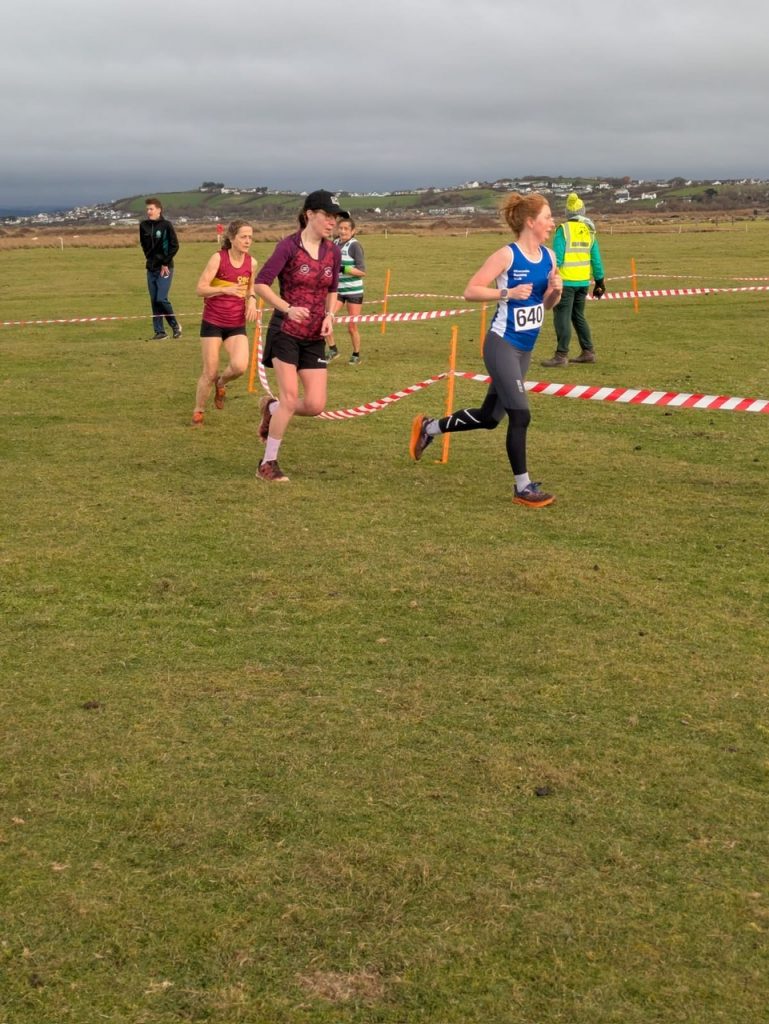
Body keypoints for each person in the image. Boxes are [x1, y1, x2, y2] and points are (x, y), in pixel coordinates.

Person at [409, 192, 563, 508]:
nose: (552, 222)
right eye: (547, 217)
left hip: (525, 350)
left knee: (490, 417)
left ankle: (429, 427)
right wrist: (507, 293)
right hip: (501, 345)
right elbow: (470, 290)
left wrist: (554, 292)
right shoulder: (507, 255)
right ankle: (523, 488)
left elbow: (546, 306)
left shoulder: (549, 257)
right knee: (520, 415)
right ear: (530, 222)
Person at [253, 190, 343, 483]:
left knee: (316, 405)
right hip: (286, 332)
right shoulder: (288, 247)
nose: (332, 222)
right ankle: (267, 463)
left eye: (335, 217)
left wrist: (330, 316)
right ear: (309, 214)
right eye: (327, 216)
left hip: (314, 335)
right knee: (290, 398)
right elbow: (260, 284)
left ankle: (271, 408)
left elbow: (333, 288)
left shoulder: (333, 251)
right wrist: (287, 308)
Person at [190, 220, 257, 426]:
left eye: (250, 237)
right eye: (243, 237)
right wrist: (223, 289)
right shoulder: (218, 258)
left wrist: (252, 301)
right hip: (213, 322)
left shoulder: (251, 263)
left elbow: (250, 289)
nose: (248, 241)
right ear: (232, 238)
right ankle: (199, 412)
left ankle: (221, 383)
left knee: (239, 367)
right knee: (209, 372)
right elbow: (200, 289)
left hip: (236, 324)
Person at [540, 192, 605, 367]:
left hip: (566, 282)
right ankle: (588, 351)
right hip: (583, 282)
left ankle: (561, 355)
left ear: (567, 212)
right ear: (582, 211)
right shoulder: (589, 230)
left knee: (562, 317)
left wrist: (548, 278)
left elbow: (557, 259)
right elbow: (596, 259)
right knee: (578, 316)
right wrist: (600, 281)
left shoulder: (563, 230)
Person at [139, 197, 182, 340]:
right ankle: (160, 332)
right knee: (154, 300)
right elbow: (144, 244)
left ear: (159, 210)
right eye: (147, 209)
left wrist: (164, 262)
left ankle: (175, 326)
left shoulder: (166, 225)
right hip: (151, 268)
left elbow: (175, 246)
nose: (148, 211)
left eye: (151, 209)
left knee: (161, 298)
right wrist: (149, 259)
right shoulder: (143, 225)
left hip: (165, 268)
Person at [327, 216, 366, 364]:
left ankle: (356, 355)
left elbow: (362, 271)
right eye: (341, 228)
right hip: (337, 291)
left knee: (352, 326)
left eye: (346, 229)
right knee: (326, 318)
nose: (343, 231)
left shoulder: (355, 246)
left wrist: (343, 268)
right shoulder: (334, 243)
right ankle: (333, 349)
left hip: (354, 291)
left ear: (353, 231)